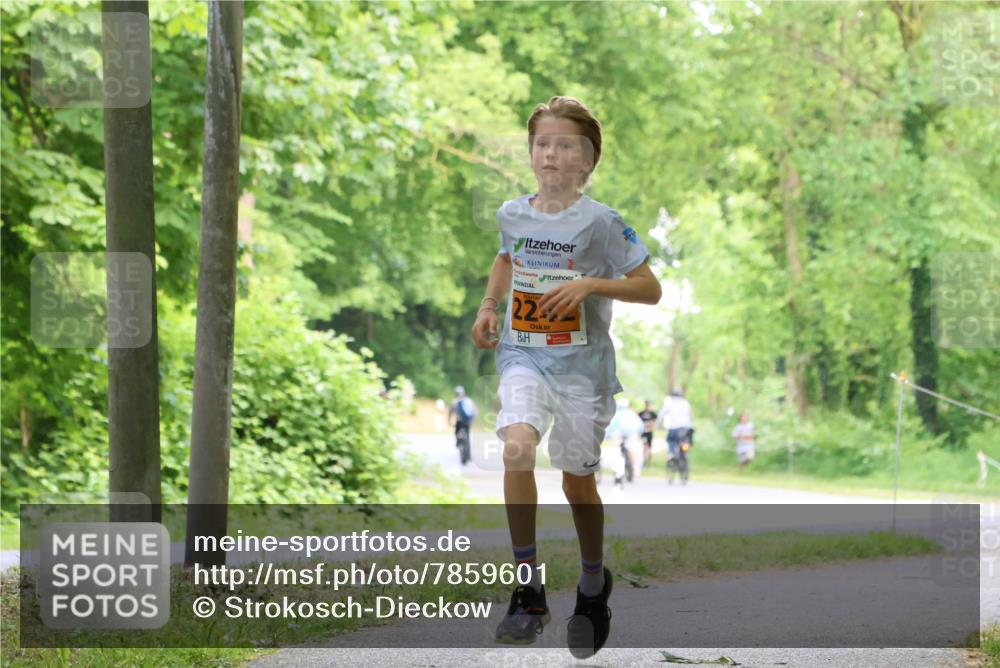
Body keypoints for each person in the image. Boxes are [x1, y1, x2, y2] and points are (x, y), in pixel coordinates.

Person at [470, 96, 661, 658]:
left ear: (587, 160)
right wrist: (488, 305)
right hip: (523, 355)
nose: (551, 153)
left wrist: (591, 285)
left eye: (565, 145)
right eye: (542, 143)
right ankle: (528, 589)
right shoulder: (513, 213)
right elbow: (507, 257)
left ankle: (593, 584)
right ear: (531, 153)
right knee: (516, 449)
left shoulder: (603, 223)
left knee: (577, 483)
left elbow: (650, 288)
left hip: (582, 369)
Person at [605, 397, 645, 484]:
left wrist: (606, 436)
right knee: (633, 451)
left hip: (618, 436)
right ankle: (635, 470)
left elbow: (609, 428)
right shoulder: (632, 414)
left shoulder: (615, 414)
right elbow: (641, 426)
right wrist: (639, 434)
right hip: (632, 435)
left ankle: (618, 471)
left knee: (616, 453)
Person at [657, 387, 694, 465]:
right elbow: (691, 416)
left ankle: (673, 454)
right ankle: (685, 456)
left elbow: (661, 415)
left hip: (674, 428)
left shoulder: (669, 403)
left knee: (670, 440)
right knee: (687, 442)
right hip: (686, 428)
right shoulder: (685, 403)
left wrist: (658, 424)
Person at [448, 386, 477, 464]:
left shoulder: (454, 401)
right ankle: (468, 455)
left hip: (459, 422)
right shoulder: (469, 401)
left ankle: (458, 442)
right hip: (467, 422)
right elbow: (474, 411)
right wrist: (472, 420)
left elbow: (450, 413)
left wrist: (449, 421)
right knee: (467, 438)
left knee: (457, 433)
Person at [637, 400, 658, 465]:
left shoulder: (653, 414)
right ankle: (644, 459)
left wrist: (649, 425)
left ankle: (648, 460)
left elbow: (655, 422)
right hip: (643, 432)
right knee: (644, 445)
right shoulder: (641, 413)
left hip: (649, 432)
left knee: (649, 446)